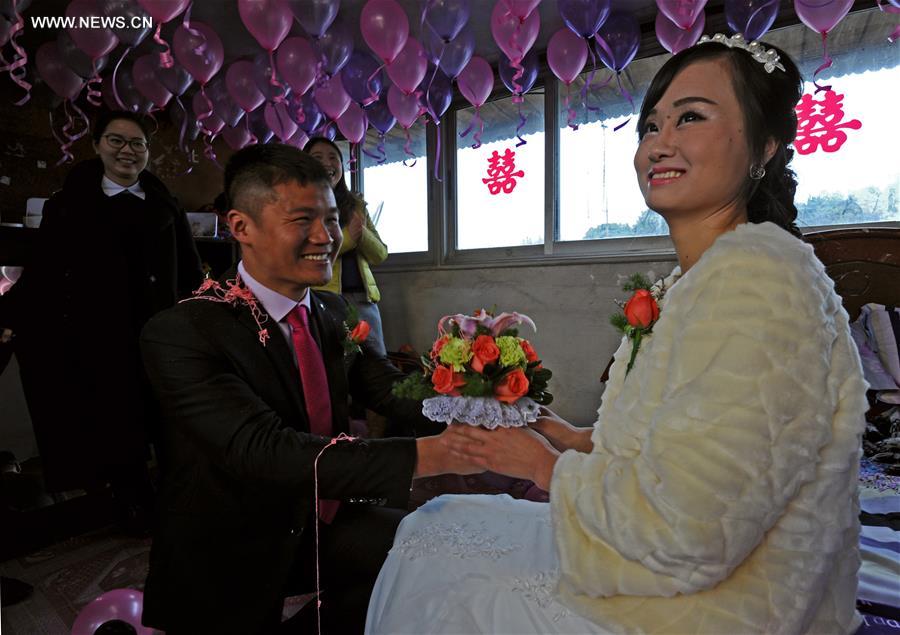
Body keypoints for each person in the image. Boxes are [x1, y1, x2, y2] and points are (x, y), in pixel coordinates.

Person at [366, 35, 869, 635]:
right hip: (684, 570)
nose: (660, 144)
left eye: (690, 118)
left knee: (441, 565)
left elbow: (695, 531)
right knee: (436, 522)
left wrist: (542, 466)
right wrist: (567, 436)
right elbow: (672, 447)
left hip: (725, 608)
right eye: (650, 127)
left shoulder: (758, 280)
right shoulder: (704, 277)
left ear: (764, 146)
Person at [139, 143, 468, 635]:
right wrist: (447, 454)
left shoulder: (332, 312)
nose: (326, 237)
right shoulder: (184, 331)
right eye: (302, 220)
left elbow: (384, 387)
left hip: (327, 519)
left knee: (443, 556)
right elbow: (266, 450)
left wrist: (478, 411)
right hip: (234, 548)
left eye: (333, 219)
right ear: (240, 227)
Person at [0, 110, 203, 527]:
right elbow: (45, 268)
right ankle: (131, 501)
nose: (127, 150)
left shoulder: (165, 202)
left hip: (158, 327)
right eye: (117, 140)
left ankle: (177, 496)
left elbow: (190, 270)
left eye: (137, 143)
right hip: (98, 331)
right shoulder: (70, 202)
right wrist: (11, 315)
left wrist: (202, 314)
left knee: (166, 415)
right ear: (96, 145)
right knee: (116, 417)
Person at [306, 137, 389, 357]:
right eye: (318, 158)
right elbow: (306, 251)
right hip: (325, 298)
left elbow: (380, 254)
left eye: (334, 158)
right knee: (335, 363)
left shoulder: (356, 205)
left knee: (376, 359)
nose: (327, 163)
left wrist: (362, 235)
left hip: (364, 298)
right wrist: (350, 238)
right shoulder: (302, 205)